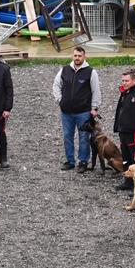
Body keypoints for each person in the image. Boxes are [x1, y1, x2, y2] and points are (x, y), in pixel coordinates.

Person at [51, 46, 101, 174]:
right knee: (67, 136)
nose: (77, 58)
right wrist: (60, 100)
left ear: (84, 57)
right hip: (66, 111)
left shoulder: (91, 72)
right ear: (72, 56)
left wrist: (94, 107)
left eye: (79, 56)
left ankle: (83, 161)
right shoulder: (64, 70)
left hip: (83, 112)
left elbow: (96, 90)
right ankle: (70, 161)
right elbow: (56, 85)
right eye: (75, 56)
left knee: (84, 137)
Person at [112, 68, 135, 191]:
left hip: (134, 132)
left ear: (134, 80)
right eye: (122, 80)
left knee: (134, 157)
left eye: (126, 80)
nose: (124, 83)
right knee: (125, 157)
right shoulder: (124, 93)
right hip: (123, 131)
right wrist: (117, 126)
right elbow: (119, 112)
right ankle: (127, 181)